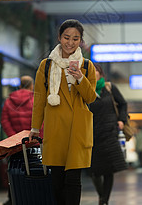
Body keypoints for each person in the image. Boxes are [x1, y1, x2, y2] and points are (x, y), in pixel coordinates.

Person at [29, 19, 97, 205]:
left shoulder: (87, 66)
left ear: (80, 41)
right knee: (57, 181)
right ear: (59, 37)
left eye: (75, 39)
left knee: (73, 180)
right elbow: (40, 99)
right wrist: (35, 127)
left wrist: (80, 79)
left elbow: (91, 98)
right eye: (67, 37)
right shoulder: (47, 65)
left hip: (78, 130)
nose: (70, 42)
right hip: (56, 128)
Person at [89, 63, 127, 205]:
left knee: (109, 169)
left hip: (109, 132)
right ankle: (102, 196)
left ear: (101, 73)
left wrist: (122, 120)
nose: (94, 73)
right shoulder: (86, 90)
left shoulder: (109, 88)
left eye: (96, 71)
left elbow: (122, 103)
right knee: (94, 171)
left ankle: (104, 200)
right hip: (92, 134)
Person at [1, 75, 41, 205]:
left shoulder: (9, 100)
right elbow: (41, 120)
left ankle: (13, 197)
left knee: (14, 170)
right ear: (31, 86)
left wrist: (14, 137)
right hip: (33, 143)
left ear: (19, 85)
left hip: (14, 145)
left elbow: (5, 120)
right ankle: (32, 196)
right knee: (34, 169)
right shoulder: (36, 99)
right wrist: (36, 138)